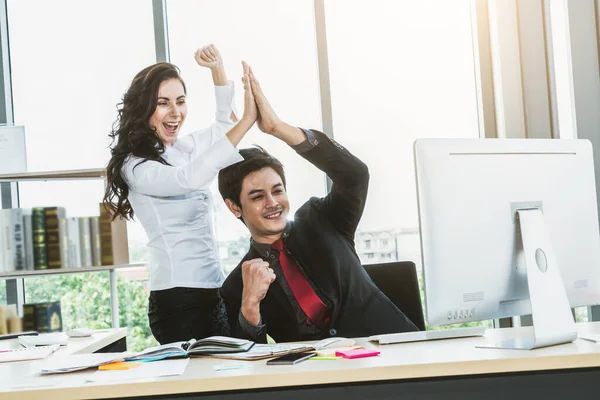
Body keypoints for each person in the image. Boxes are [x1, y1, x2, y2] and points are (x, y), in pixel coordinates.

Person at [218, 69, 418, 343]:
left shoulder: (323, 219)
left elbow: (354, 175)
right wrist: (250, 307)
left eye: (278, 190)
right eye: (257, 196)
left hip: (394, 358)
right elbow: (246, 363)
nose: (273, 203)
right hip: (320, 380)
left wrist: (278, 128)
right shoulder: (237, 286)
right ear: (234, 207)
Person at [103, 45, 259, 344]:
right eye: (163, 103)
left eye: (180, 101)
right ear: (144, 108)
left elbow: (224, 127)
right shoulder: (134, 166)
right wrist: (247, 119)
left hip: (211, 291)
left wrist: (217, 71)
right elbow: (186, 179)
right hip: (177, 300)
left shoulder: (183, 148)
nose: (175, 113)